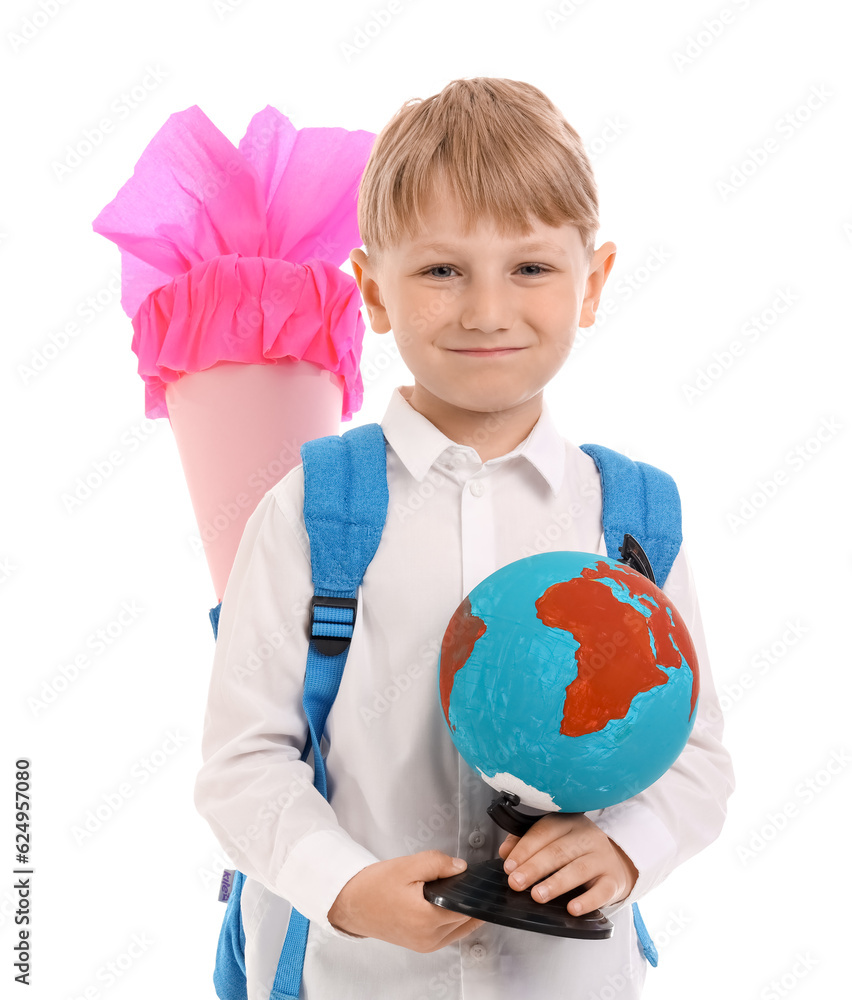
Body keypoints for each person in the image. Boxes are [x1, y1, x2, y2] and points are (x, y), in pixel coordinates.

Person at [194, 76, 735, 1000]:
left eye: (530, 268)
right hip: (359, 976)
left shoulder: (631, 519)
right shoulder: (314, 512)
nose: (487, 310)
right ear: (371, 291)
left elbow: (697, 758)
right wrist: (349, 888)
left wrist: (624, 846)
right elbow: (242, 765)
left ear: (593, 282)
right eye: (442, 271)